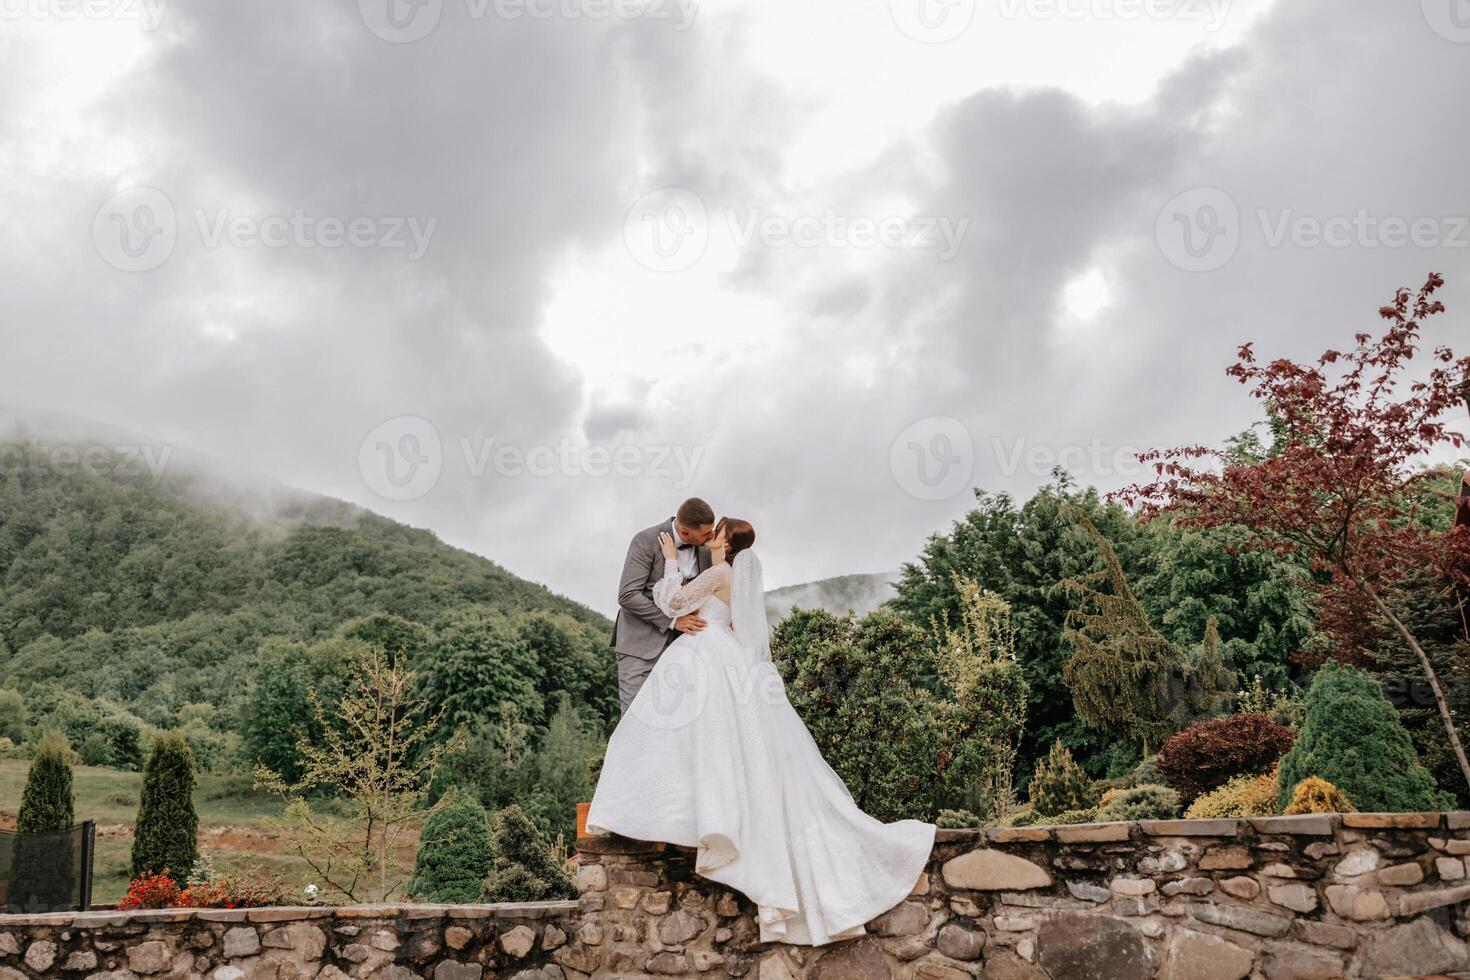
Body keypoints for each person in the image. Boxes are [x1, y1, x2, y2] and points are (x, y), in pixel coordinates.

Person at [587, 516, 935, 946]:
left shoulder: (717, 571)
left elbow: (675, 601)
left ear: (726, 543)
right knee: (710, 740)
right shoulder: (737, 579)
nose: (712, 532)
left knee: (679, 735)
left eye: (718, 531)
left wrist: (672, 561)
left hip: (704, 651)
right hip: (724, 651)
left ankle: (680, 815)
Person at [611, 497, 716, 712]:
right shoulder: (645, 540)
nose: (711, 536)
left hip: (684, 651)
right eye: (706, 533)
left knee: (673, 724)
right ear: (686, 533)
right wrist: (672, 621)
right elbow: (628, 595)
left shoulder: (706, 550)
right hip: (640, 649)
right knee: (635, 719)